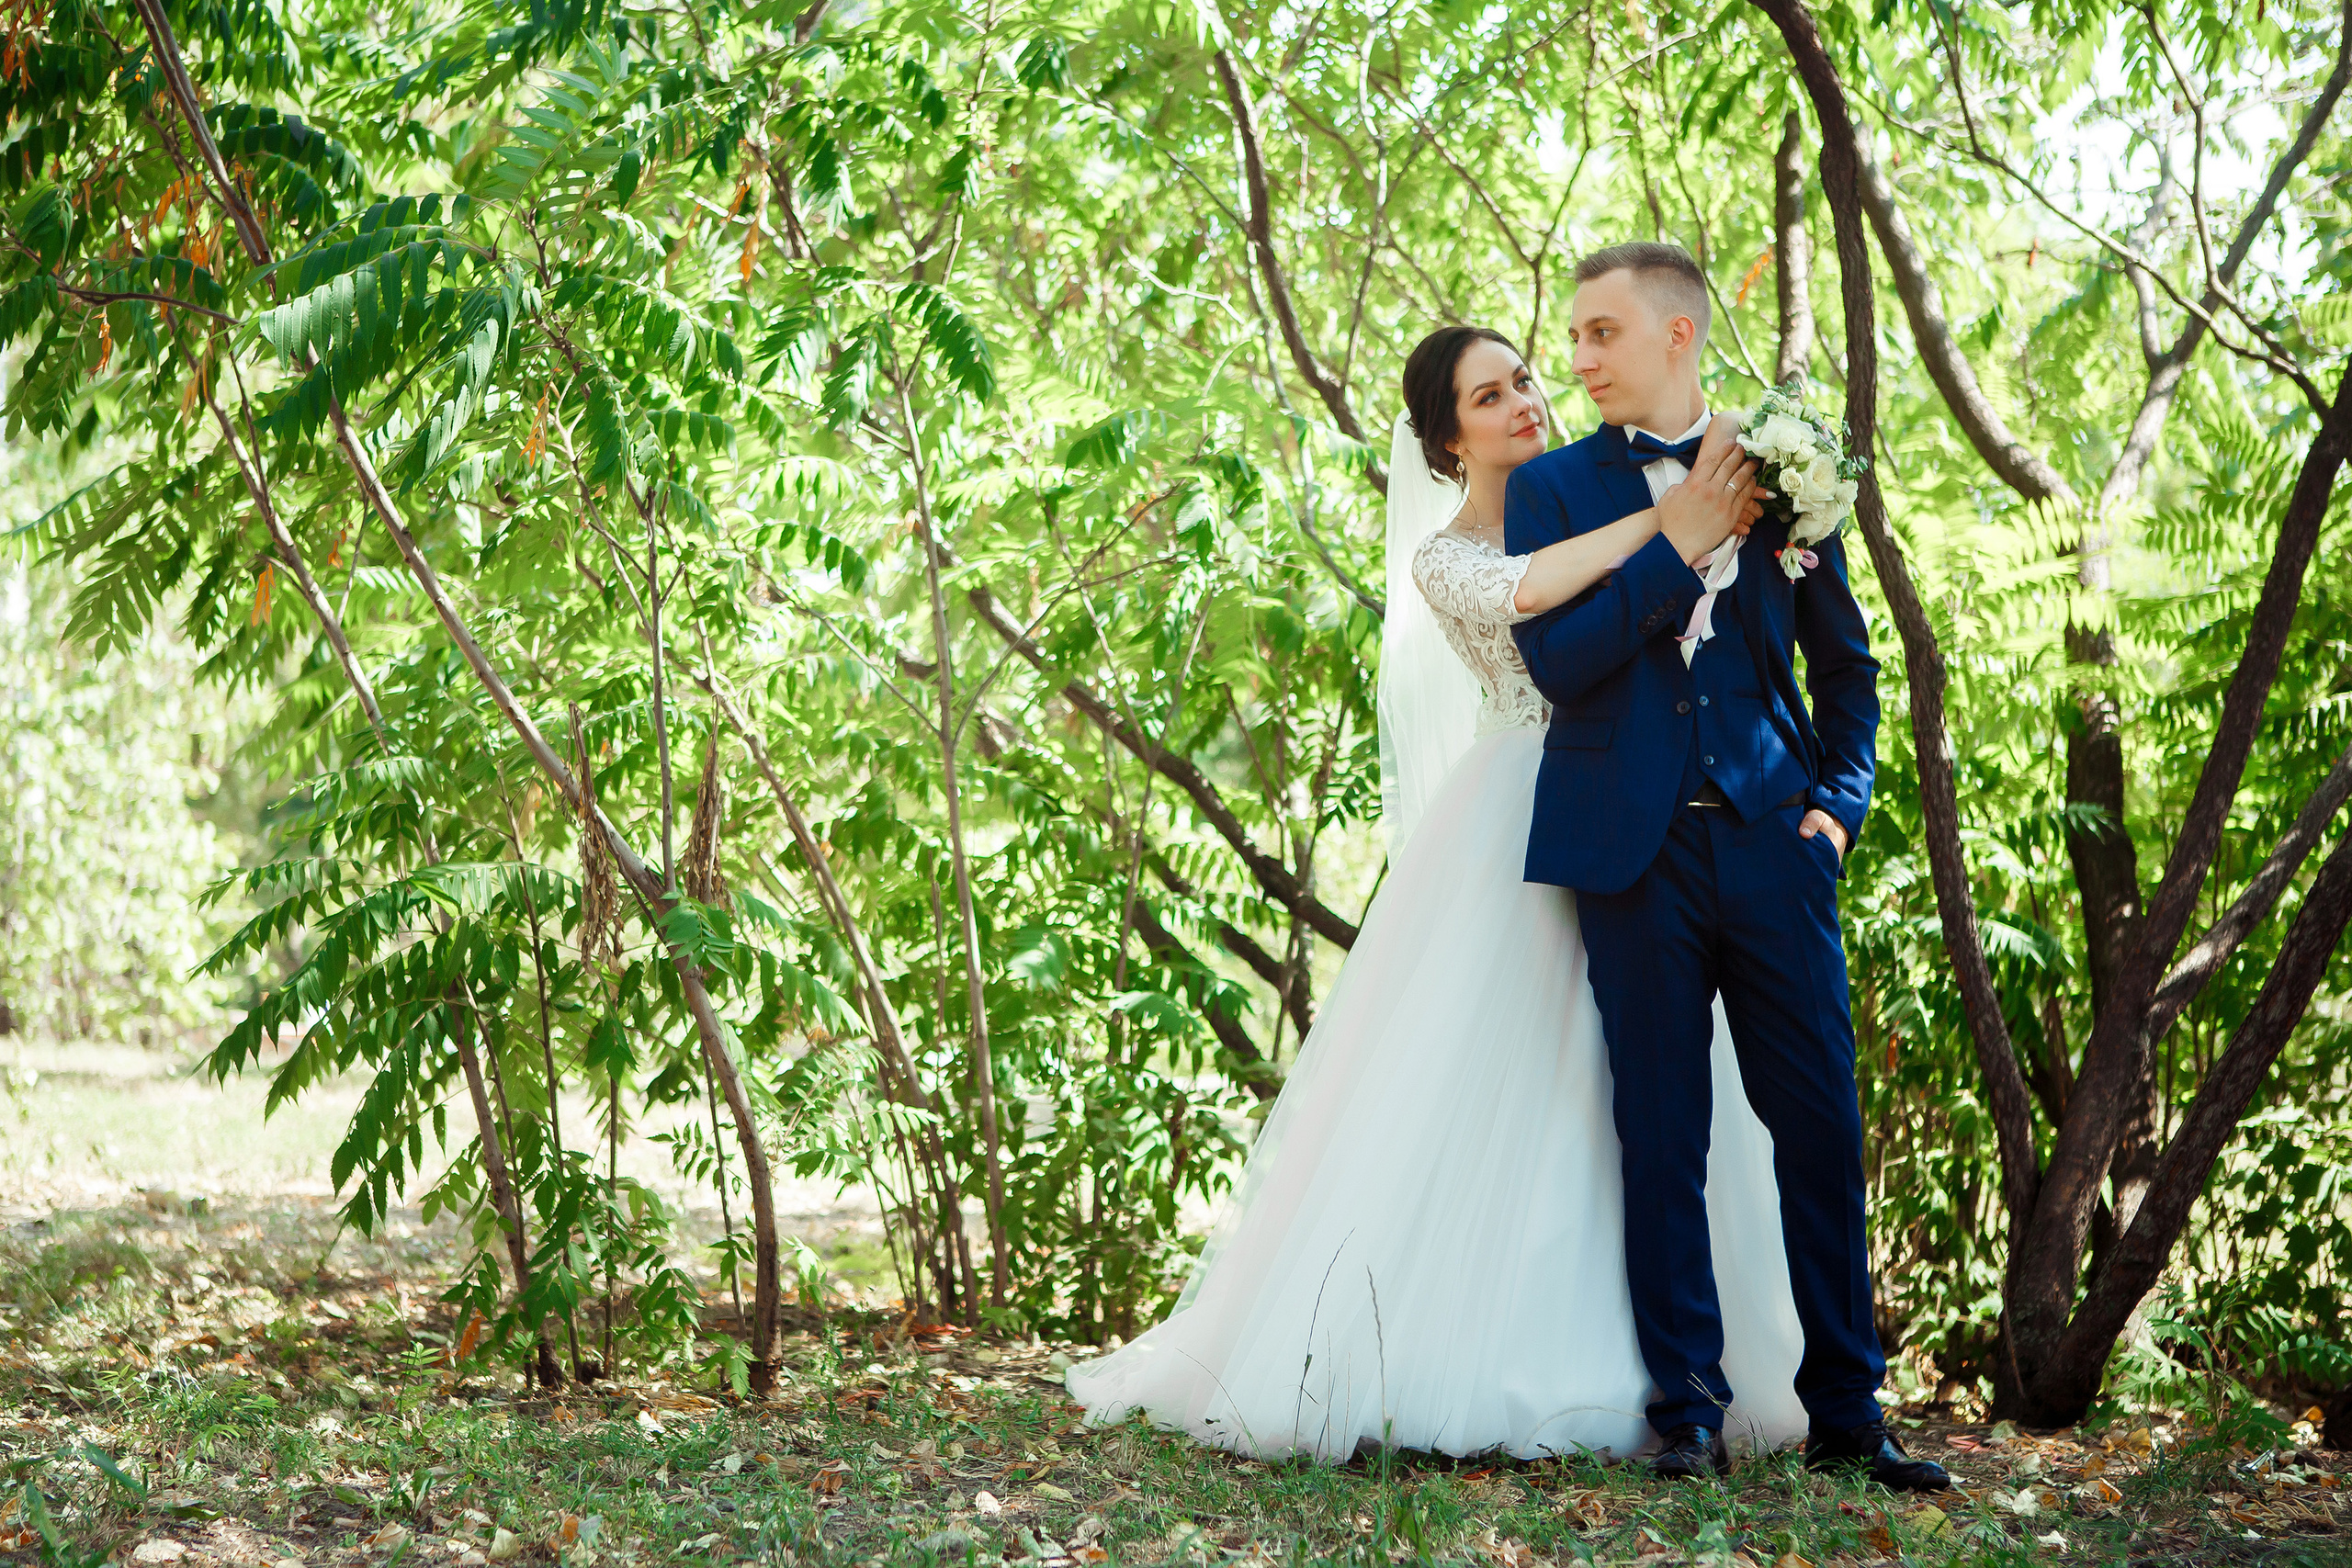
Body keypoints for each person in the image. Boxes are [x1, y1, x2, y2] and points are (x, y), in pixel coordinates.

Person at [1066, 323, 1809, 1464]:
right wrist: (1680, 520)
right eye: (1489, 395)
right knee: (1520, 1079)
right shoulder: (1449, 558)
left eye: (1524, 380)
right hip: (1521, 810)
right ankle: (1513, 1358)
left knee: (1660, 1097)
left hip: (1659, 815)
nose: (1524, 402)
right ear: (1447, 439)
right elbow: (1538, 589)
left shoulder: (1598, 480)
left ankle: (1693, 1371)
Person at [1504, 242, 1947, 1492]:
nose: (1577, 358)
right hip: (1628, 856)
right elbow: (1560, 664)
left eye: (1601, 333)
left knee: (1816, 1119)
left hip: (1772, 841)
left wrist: (1837, 813)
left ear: (1679, 336)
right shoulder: (1549, 490)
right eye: (1574, 335)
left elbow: (1851, 667)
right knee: (1663, 1132)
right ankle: (1686, 1408)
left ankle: (1850, 1408)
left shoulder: (1785, 471)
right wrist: (1680, 540)